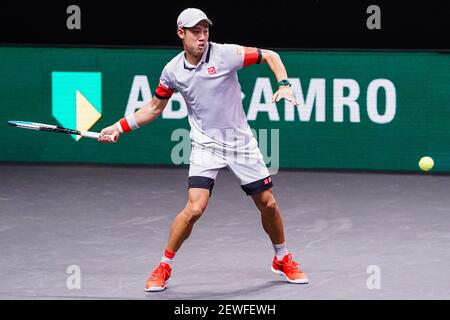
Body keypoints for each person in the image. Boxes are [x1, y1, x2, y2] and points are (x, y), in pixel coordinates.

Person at [98, 8, 308, 292]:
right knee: (195, 208)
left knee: (267, 203)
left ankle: (282, 258)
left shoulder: (226, 54)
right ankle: (164, 266)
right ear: (180, 33)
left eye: (205, 30)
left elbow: (271, 55)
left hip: (240, 143)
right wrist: (119, 127)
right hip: (205, 145)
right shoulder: (172, 71)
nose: (202, 37)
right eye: (195, 31)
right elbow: (153, 108)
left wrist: (283, 84)